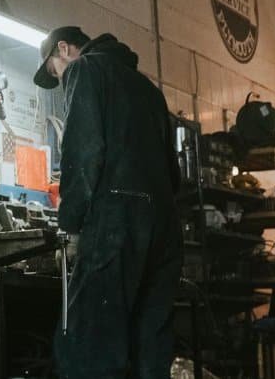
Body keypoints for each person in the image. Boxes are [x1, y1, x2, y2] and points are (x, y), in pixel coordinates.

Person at [33, 26, 182, 379]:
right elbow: (173, 175)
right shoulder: (149, 89)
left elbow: (83, 151)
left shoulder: (85, 69)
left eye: (56, 70)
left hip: (117, 222)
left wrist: (69, 226)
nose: (61, 77)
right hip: (164, 228)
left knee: (88, 351)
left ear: (65, 49)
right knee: (150, 355)